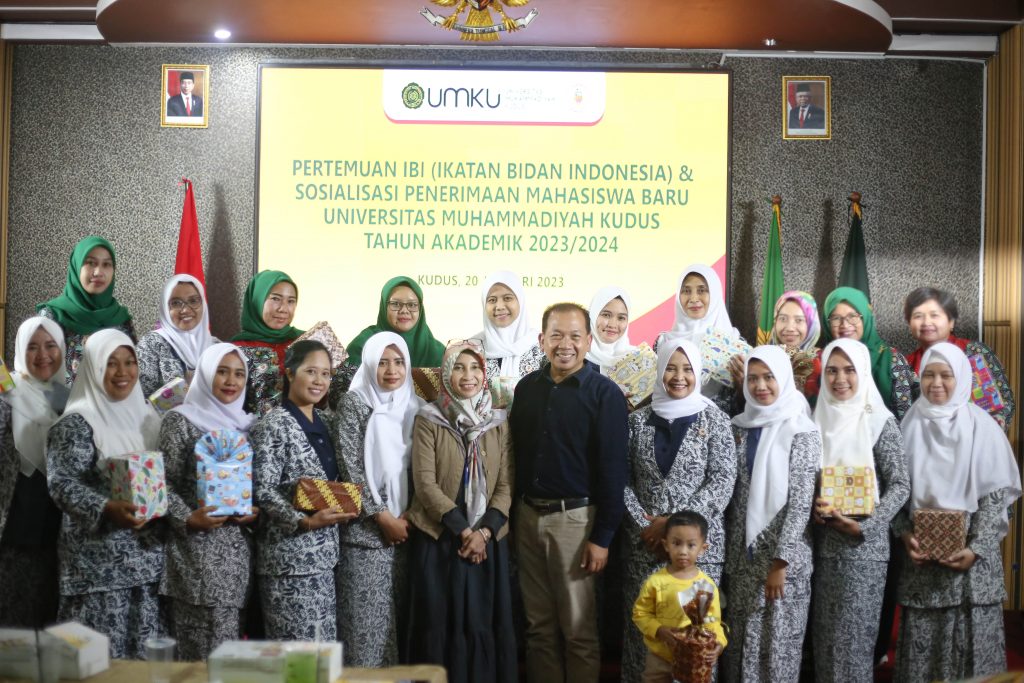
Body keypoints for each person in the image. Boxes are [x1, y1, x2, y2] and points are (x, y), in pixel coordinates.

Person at [510, 302, 628, 683]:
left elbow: (614, 472)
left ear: (588, 341)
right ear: (541, 340)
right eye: (556, 335)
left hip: (576, 522)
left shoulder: (605, 394)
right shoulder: (526, 389)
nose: (565, 344)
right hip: (527, 518)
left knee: (578, 630)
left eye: (575, 336)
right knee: (538, 628)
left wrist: (602, 537)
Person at [893, 342, 1021, 683]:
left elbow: (996, 497)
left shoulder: (982, 426)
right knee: (923, 661)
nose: (936, 383)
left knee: (972, 660)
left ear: (962, 378)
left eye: (946, 375)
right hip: (923, 567)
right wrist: (905, 534)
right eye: (929, 375)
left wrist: (975, 549)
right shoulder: (908, 426)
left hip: (972, 572)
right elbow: (896, 493)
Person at [621, 340, 735, 683]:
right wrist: (646, 527)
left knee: (695, 641)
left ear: (697, 373)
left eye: (687, 369)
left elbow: (723, 479)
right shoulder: (636, 421)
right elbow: (622, 480)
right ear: (659, 371)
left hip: (698, 554)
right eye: (670, 367)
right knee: (647, 641)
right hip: (646, 548)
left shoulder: (715, 420)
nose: (678, 376)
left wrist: (674, 526)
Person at [45, 329, 163, 659]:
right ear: (94, 367)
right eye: (111, 363)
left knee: (141, 667)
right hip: (97, 569)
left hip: (147, 565)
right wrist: (107, 506)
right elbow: (62, 484)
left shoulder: (148, 417)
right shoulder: (76, 423)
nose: (123, 372)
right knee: (97, 664)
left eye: (130, 362)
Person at [405, 341, 517, 683]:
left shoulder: (498, 421)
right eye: (458, 367)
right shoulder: (429, 418)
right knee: (441, 622)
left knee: (482, 622)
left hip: (488, 540)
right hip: (441, 538)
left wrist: (484, 532)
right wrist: (465, 531)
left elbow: (506, 484)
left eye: (475, 367)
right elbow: (425, 484)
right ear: (446, 374)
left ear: (485, 373)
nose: (468, 375)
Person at [810, 338, 910, 683]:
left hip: (863, 550)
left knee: (853, 643)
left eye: (850, 370)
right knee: (825, 642)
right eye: (832, 370)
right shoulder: (816, 418)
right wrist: (812, 508)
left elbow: (901, 485)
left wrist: (866, 527)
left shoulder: (879, 421)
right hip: (822, 547)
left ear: (863, 372)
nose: (840, 379)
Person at [722, 345, 819, 683]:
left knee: (777, 652)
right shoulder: (737, 428)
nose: (760, 386)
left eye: (769, 377)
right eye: (753, 378)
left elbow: (801, 502)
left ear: (784, 378)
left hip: (784, 563)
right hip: (742, 560)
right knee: (740, 651)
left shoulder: (802, 430)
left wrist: (781, 562)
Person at [250, 340, 355, 641]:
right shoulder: (274, 424)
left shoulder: (327, 422)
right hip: (288, 561)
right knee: (294, 654)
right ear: (289, 373)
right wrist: (304, 521)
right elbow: (263, 489)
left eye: (326, 373)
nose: (319, 380)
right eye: (311, 371)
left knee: (322, 652)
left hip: (325, 558)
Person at [158, 343, 258, 659]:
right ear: (204, 374)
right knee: (201, 664)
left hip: (239, 563)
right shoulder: (180, 421)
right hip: (196, 560)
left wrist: (255, 510)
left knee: (232, 662)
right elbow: (162, 484)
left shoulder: (248, 425)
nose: (231, 381)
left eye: (239, 374)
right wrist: (188, 518)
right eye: (222, 372)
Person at [335, 332, 424, 666]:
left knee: (400, 629)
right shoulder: (355, 403)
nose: (392, 370)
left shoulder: (416, 407)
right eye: (383, 362)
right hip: (366, 535)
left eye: (399, 362)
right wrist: (381, 515)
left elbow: (424, 469)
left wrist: (410, 516)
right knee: (365, 634)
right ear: (370, 364)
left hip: (408, 533)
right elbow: (349, 466)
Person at [0, 317, 69, 627]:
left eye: (51, 345)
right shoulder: (6, 393)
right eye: (32, 347)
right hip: (14, 527)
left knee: (50, 620)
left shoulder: (67, 397)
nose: (43, 355)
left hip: (59, 529)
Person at [631, 511, 727, 683]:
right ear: (666, 545)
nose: (683, 551)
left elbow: (713, 621)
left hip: (695, 658)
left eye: (691, 545)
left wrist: (719, 643)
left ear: (703, 548)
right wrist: (659, 630)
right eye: (676, 543)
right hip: (660, 657)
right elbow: (640, 614)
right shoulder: (655, 582)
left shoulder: (706, 585)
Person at [902, 286, 1014, 430]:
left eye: (934, 315)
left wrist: (986, 432)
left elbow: (1005, 403)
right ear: (909, 323)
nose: (926, 322)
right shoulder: (906, 365)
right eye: (918, 316)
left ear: (951, 322)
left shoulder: (975, 352)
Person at [37, 236, 136, 384]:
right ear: (76, 267)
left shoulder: (121, 320)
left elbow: (132, 373)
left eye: (106, 264)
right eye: (90, 263)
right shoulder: (52, 316)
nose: (98, 272)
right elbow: (37, 372)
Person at [815, 286, 914, 420]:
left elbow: (905, 417)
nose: (845, 325)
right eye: (836, 318)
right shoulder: (819, 362)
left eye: (853, 316)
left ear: (865, 318)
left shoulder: (891, 359)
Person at [655, 264, 745, 410]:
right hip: (668, 418)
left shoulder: (733, 342)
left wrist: (743, 384)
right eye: (686, 291)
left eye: (702, 290)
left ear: (715, 294)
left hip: (720, 419)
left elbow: (741, 404)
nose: (693, 298)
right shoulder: (663, 342)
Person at [232, 270, 304, 416]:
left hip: (305, 426)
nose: (283, 309)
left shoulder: (306, 342)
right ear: (257, 300)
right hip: (252, 427)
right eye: (276, 299)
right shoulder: (235, 351)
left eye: (291, 301)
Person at [136, 273, 216, 397]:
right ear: (165, 307)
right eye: (176, 303)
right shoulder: (151, 344)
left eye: (193, 301)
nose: (186, 310)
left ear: (203, 304)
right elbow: (141, 398)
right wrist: (185, 391)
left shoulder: (215, 346)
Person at [347, 276, 444, 368]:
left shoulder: (438, 352)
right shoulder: (364, 344)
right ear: (384, 307)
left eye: (412, 305)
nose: (404, 311)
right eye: (395, 304)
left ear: (420, 309)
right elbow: (343, 378)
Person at [476, 271, 544, 380]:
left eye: (507, 298)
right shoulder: (472, 349)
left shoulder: (542, 346)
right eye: (492, 300)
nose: (499, 306)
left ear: (520, 301)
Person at [585, 286, 637, 376]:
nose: (612, 325)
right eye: (606, 315)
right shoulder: (574, 358)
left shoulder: (637, 359)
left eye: (621, 318)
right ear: (593, 315)